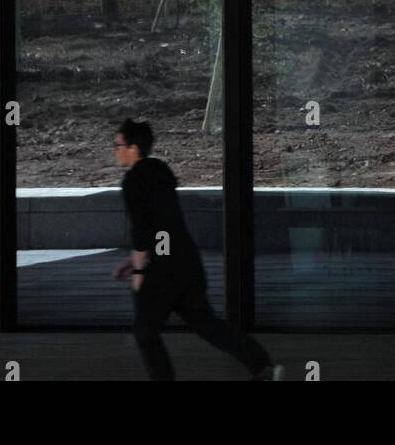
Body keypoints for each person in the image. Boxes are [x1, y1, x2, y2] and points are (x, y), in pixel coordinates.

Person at [111, 118, 282, 381]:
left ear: (133, 148)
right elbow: (164, 224)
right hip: (186, 260)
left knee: (145, 331)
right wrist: (133, 259)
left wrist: (138, 269)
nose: (115, 150)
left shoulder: (133, 181)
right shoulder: (160, 172)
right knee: (207, 324)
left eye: (118, 144)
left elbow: (143, 230)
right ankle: (262, 365)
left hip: (163, 269)